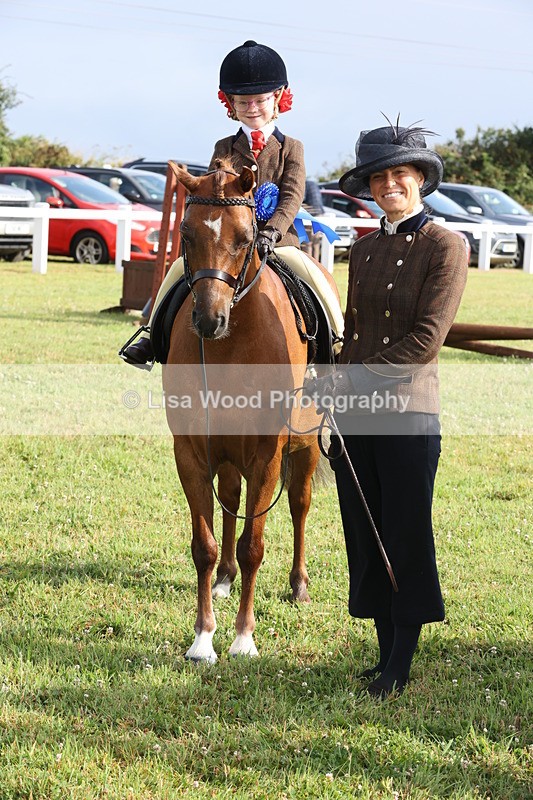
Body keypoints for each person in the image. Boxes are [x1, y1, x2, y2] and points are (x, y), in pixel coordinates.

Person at [307, 119, 468, 698]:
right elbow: (354, 333)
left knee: (404, 533)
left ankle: (400, 663)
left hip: (406, 414)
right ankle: (381, 656)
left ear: (420, 178)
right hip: (354, 417)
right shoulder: (365, 247)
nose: (389, 185)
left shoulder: (446, 246)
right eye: (378, 177)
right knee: (366, 534)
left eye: (400, 173)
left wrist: (347, 382)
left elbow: (424, 342)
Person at [120, 40, 305, 367]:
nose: (252, 108)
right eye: (243, 102)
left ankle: (334, 342)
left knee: (313, 279)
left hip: (277, 242)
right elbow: (210, 195)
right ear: (231, 104)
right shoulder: (224, 146)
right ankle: (151, 333)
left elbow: (292, 195)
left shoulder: (291, 147)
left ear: (277, 97)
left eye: (260, 100)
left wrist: (272, 232)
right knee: (177, 272)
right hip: (226, 245)